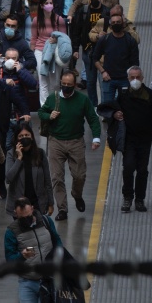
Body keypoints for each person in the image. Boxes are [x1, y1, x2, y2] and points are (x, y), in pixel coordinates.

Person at [40, 71, 101, 220]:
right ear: (60, 83)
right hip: (56, 142)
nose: (66, 87)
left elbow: (92, 118)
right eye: (64, 84)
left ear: (75, 84)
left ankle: (77, 194)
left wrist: (96, 138)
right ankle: (63, 209)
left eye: (69, 85)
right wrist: (49, 116)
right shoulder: (52, 98)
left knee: (79, 175)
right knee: (57, 177)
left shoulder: (82, 100)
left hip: (76, 141)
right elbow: (41, 112)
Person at [108, 66, 152, 212]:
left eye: (137, 77)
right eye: (132, 77)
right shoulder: (123, 95)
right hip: (129, 140)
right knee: (128, 168)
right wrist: (115, 115)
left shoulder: (149, 95)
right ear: (128, 79)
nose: (135, 80)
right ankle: (127, 198)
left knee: (142, 170)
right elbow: (112, 109)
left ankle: (140, 199)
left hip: (145, 140)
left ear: (142, 78)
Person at [90, 10, 139, 104]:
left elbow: (135, 63)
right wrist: (103, 72)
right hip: (109, 79)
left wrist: (132, 78)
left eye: (118, 22)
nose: (116, 24)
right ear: (110, 25)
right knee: (108, 108)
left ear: (123, 24)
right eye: (113, 23)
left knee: (126, 106)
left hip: (125, 80)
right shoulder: (104, 40)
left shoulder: (130, 41)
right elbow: (95, 58)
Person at [5, 125, 54, 216]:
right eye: (21, 136)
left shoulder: (40, 154)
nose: (24, 138)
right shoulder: (11, 154)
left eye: (27, 135)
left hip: (38, 203)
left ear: (32, 137)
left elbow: (47, 180)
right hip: (19, 206)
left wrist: (50, 203)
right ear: (16, 139)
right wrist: (19, 159)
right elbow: (8, 178)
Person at [31, 0, 68, 98]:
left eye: (51, 3)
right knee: (43, 81)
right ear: (42, 6)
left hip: (54, 52)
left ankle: (55, 106)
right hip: (40, 51)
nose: (49, 5)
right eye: (46, 3)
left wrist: (57, 40)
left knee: (54, 83)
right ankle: (44, 108)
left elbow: (64, 37)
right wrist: (31, 54)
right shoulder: (36, 20)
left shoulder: (58, 19)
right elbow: (33, 38)